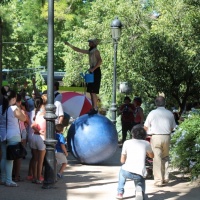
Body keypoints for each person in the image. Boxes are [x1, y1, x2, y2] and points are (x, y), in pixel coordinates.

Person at [144, 96, 176, 187]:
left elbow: (146, 126)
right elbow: (172, 127)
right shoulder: (170, 113)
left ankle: (158, 180)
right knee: (165, 157)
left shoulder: (152, 113)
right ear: (164, 103)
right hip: (167, 137)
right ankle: (166, 177)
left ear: (156, 103)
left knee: (156, 158)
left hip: (156, 137)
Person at [116, 125, 154, 200]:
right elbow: (152, 156)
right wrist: (145, 152)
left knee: (122, 171)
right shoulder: (146, 143)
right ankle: (140, 191)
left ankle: (120, 192)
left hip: (127, 171)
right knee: (141, 177)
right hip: (139, 173)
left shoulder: (127, 142)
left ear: (132, 134)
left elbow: (122, 161)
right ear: (144, 135)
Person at [65, 38, 102, 114]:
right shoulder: (90, 51)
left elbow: (100, 61)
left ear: (93, 44)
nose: (89, 44)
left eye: (90, 43)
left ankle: (95, 107)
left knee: (93, 91)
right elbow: (78, 50)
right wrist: (69, 45)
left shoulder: (96, 51)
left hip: (95, 71)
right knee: (91, 91)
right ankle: (93, 107)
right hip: (92, 71)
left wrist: (93, 69)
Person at [1, 89, 26, 187]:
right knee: (10, 159)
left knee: (4, 157)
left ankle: (3, 178)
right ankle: (8, 180)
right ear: (14, 98)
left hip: (3, 136)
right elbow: (23, 119)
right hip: (13, 135)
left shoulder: (1, 108)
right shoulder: (14, 108)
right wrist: (20, 108)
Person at [30, 95, 47, 184]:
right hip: (41, 138)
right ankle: (38, 177)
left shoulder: (37, 114)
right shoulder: (45, 115)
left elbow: (32, 125)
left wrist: (38, 131)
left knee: (34, 159)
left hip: (34, 137)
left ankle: (34, 177)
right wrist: (41, 132)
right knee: (40, 160)